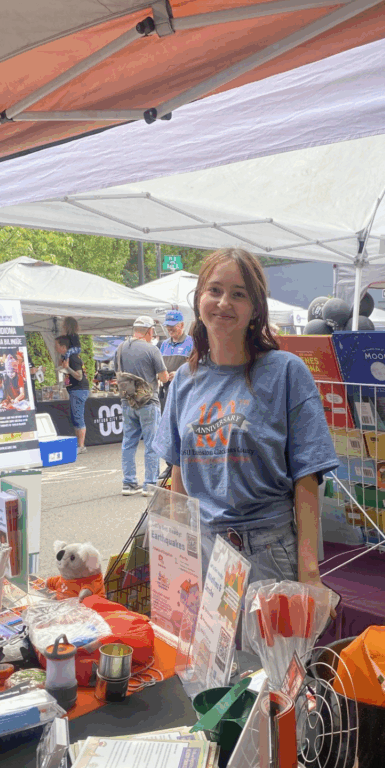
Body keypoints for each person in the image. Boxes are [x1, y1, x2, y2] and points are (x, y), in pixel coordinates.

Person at [154, 247, 338, 588]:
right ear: (199, 300)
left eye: (238, 294)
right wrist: (179, 552)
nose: (224, 303)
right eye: (215, 290)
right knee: (205, 645)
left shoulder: (286, 372)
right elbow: (179, 471)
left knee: (265, 645)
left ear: (255, 309)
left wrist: (309, 571)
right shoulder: (184, 380)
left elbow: (308, 477)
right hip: (203, 548)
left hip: (268, 552)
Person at [115, 316, 169, 495]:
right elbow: (163, 377)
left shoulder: (120, 348)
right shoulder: (152, 349)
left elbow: (118, 373)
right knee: (152, 444)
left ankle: (128, 483)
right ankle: (150, 485)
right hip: (148, 401)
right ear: (149, 331)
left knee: (128, 442)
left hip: (127, 400)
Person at [55, 334, 90, 454]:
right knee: (75, 417)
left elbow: (79, 376)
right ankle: (79, 445)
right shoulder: (68, 357)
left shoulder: (73, 358)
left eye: (57, 346)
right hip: (75, 390)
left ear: (63, 346)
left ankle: (81, 446)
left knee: (78, 417)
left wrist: (67, 368)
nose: (55, 348)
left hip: (79, 390)